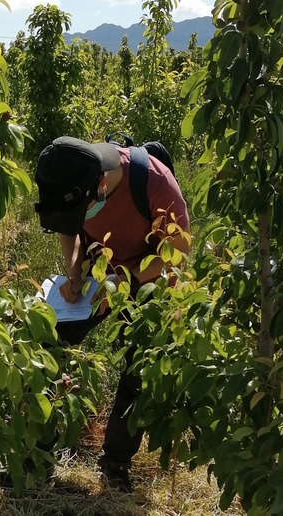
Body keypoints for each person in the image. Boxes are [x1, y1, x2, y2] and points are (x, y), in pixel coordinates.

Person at [33, 136, 190, 492]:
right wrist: (75, 272)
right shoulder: (73, 173)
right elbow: (68, 229)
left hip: (149, 279)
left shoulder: (156, 183)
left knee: (139, 366)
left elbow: (177, 252)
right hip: (99, 273)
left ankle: (116, 462)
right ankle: (36, 457)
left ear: (101, 187)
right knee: (43, 344)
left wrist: (126, 280)